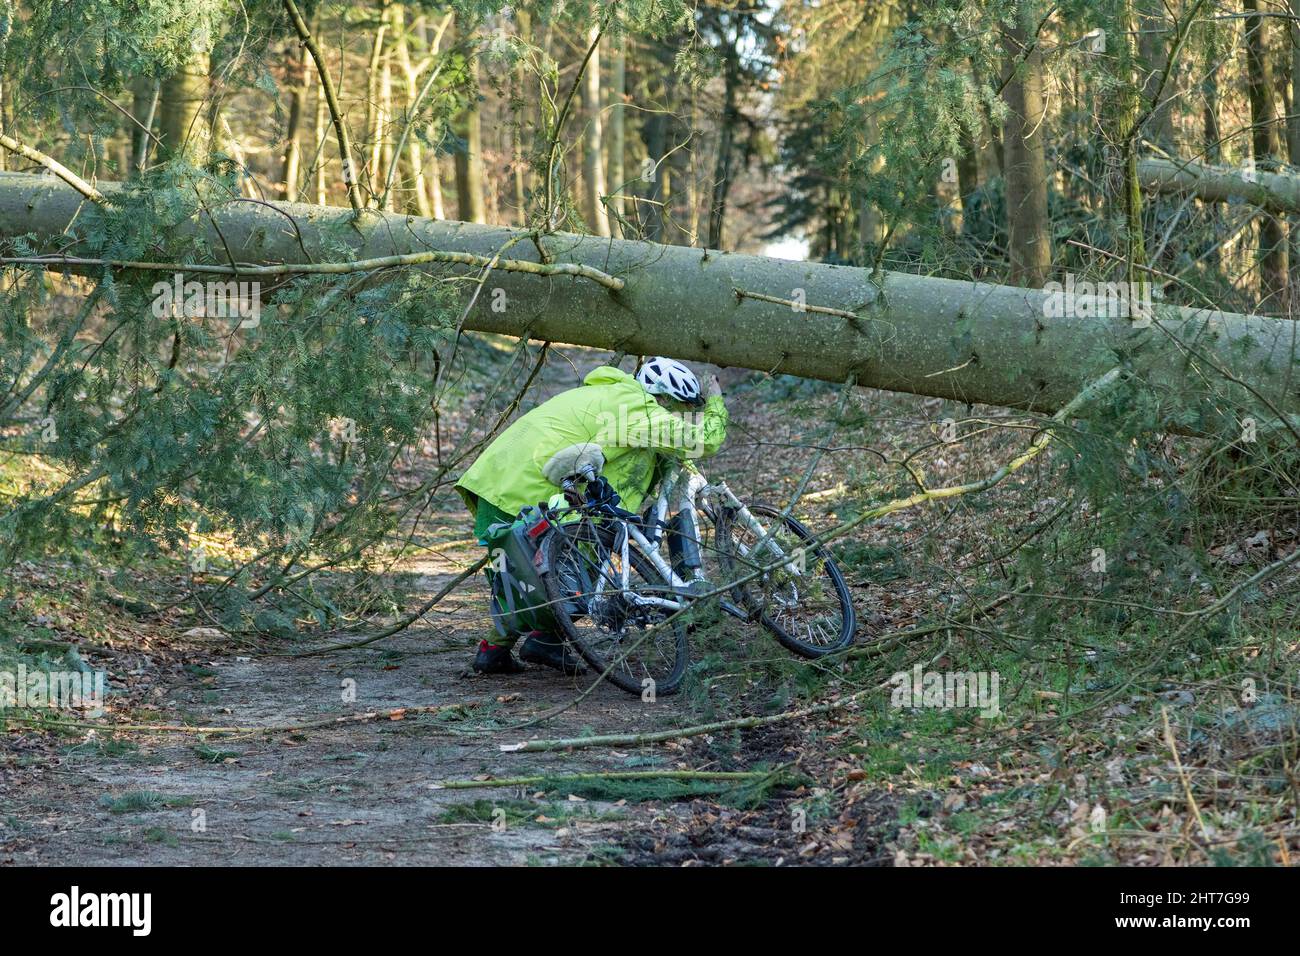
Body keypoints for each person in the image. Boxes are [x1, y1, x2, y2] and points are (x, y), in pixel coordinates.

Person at [455, 357, 728, 675]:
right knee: (564, 567)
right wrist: (716, 398)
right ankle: (542, 640)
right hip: (522, 488)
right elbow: (703, 440)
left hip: (498, 482)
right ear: (661, 397)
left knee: (520, 575)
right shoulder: (635, 408)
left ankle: (503, 649)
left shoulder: (608, 395)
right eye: (672, 408)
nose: (671, 416)